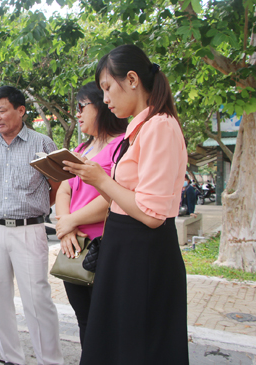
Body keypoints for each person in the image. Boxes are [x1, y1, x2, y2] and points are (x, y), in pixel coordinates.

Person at [62, 44, 189, 364]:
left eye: (107, 88)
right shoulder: (139, 128)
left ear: (132, 79)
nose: (105, 99)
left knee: (138, 348)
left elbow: (151, 215)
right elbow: (123, 198)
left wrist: (100, 180)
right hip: (123, 250)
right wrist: (89, 176)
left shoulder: (160, 126)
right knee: (114, 344)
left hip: (143, 254)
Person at [0, 86, 64, 365]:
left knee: (37, 299)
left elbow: (58, 185)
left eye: (2, 110)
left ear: (20, 110)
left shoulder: (42, 143)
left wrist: (34, 210)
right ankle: (12, 359)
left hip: (29, 229)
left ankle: (51, 361)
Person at [54, 82, 127, 346]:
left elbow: (113, 197)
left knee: (106, 324)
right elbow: (64, 190)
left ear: (103, 105)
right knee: (84, 321)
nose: (78, 114)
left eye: (82, 107)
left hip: (104, 248)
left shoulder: (122, 146)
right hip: (74, 247)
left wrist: (71, 221)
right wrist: (66, 228)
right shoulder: (81, 150)